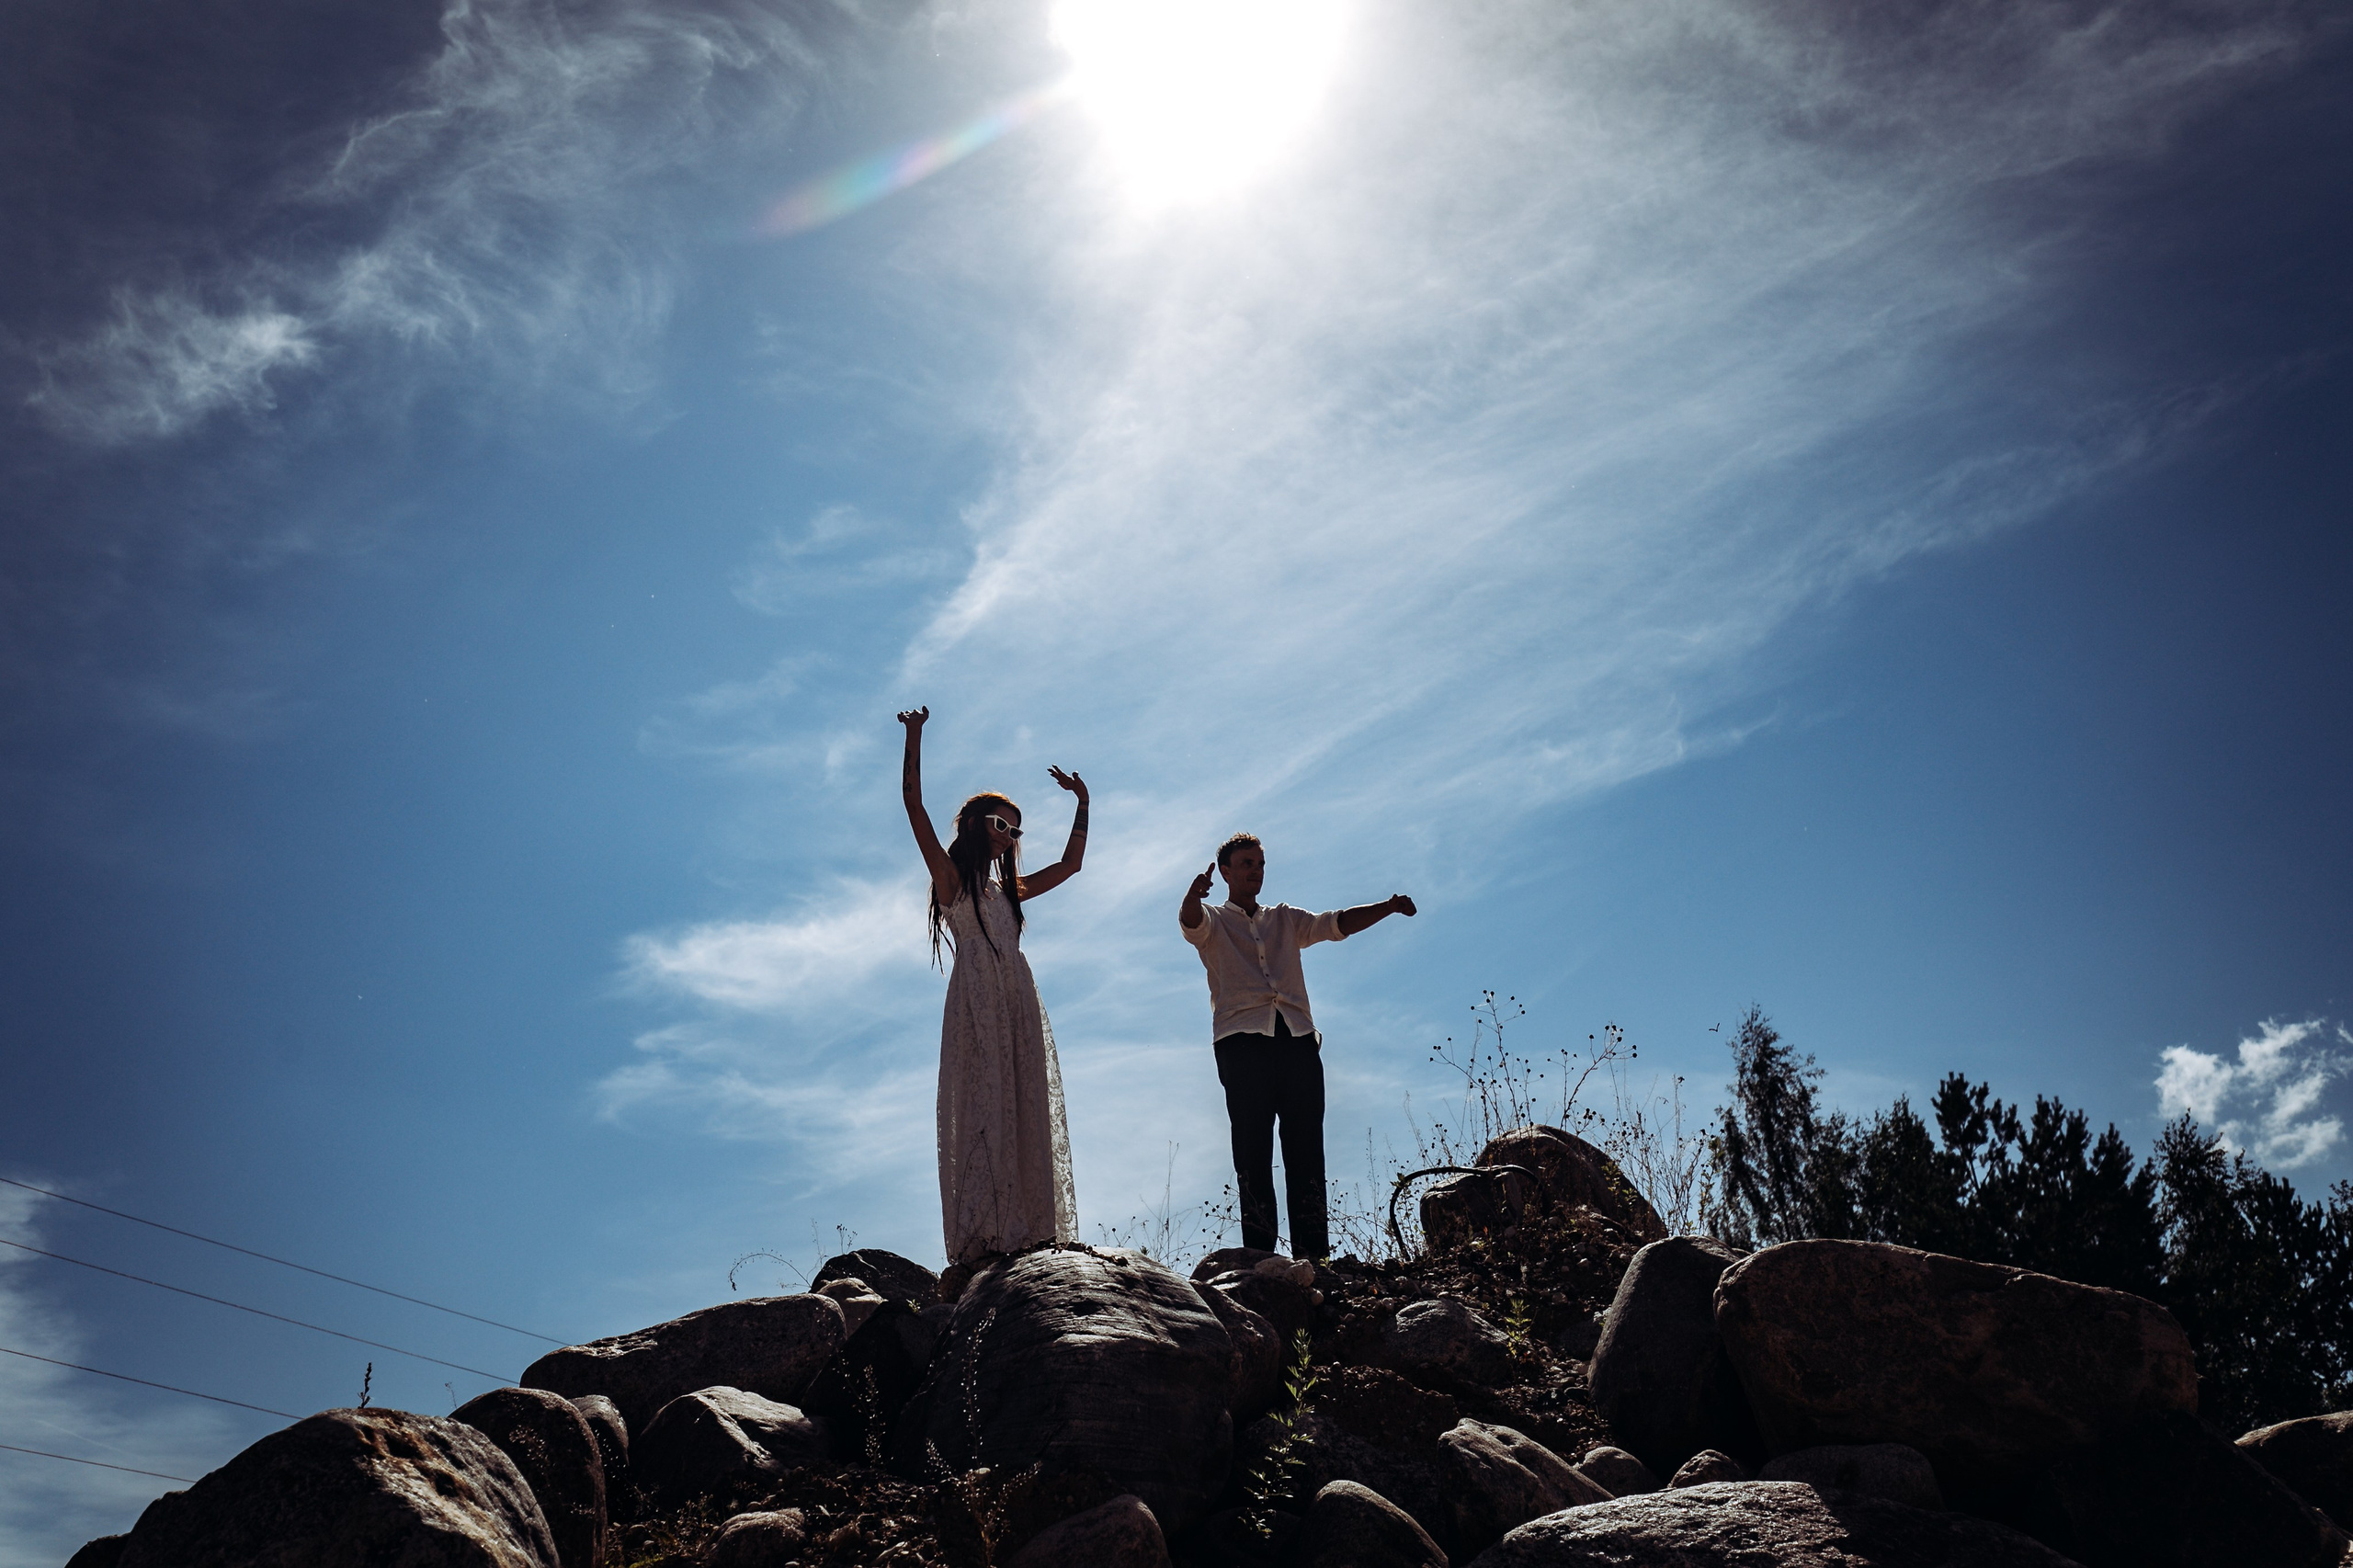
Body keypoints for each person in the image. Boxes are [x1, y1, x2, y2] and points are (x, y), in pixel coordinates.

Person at [897, 705, 1087, 1265]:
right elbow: (914, 806)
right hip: (977, 1002)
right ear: (977, 825)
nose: (1008, 835)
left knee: (1023, 1101)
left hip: (1016, 1000)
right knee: (985, 1107)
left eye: (1015, 828)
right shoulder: (952, 882)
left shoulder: (1011, 894)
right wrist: (914, 737)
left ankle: (1030, 1232)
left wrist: (1082, 804)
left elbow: (1072, 864)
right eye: (1000, 824)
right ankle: (985, 1236)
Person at [1180, 832, 1415, 1261]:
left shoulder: (1284, 918)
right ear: (1227, 872)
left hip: (1298, 1041)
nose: (1256, 871)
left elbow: (1334, 923)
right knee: (1252, 1151)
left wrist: (1387, 906)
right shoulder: (1214, 921)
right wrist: (1193, 895)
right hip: (1242, 1042)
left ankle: (1315, 1260)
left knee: (1307, 1150)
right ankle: (1259, 1261)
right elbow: (1191, 922)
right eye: (1247, 864)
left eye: (1260, 864)